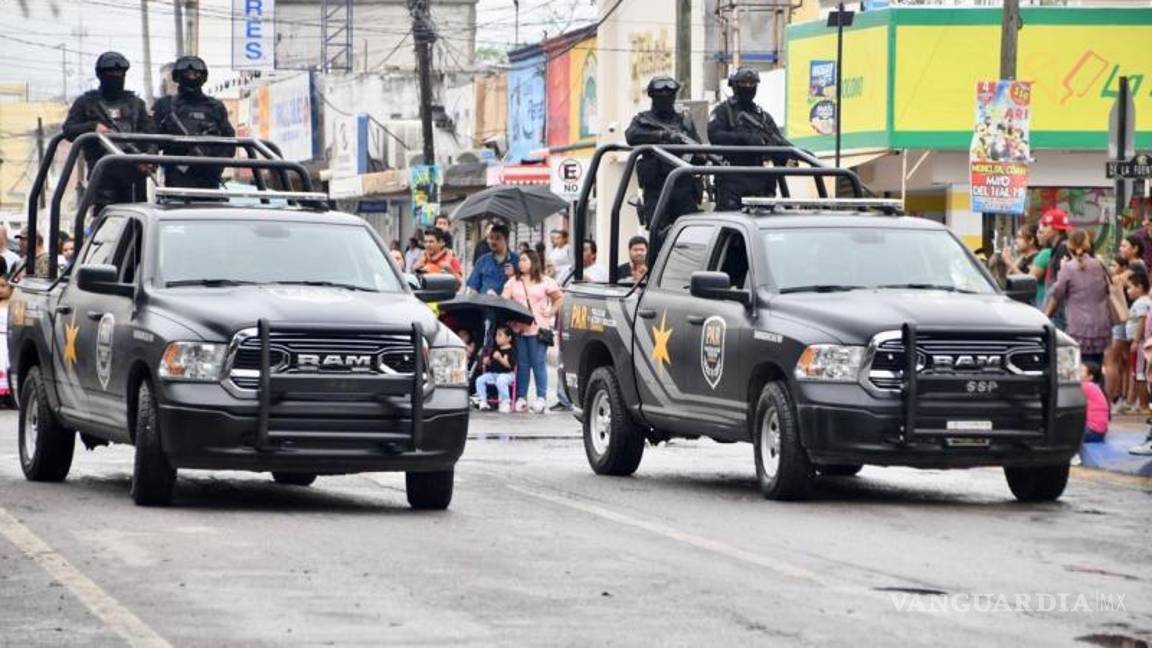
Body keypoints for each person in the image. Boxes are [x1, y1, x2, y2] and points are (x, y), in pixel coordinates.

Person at [62, 51, 155, 214]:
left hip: (133, 174)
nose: (115, 76)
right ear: (100, 74)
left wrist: (148, 157)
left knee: (136, 222)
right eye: (110, 73)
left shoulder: (135, 104)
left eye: (119, 73)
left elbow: (151, 135)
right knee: (106, 220)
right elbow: (69, 130)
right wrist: (93, 128)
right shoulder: (86, 102)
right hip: (102, 172)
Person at [624, 76, 704, 234]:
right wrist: (662, 135)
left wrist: (699, 155)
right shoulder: (643, 120)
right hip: (657, 185)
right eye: (661, 97)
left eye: (670, 96)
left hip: (683, 185)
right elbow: (631, 136)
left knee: (688, 232)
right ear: (653, 97)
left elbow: (698, 146)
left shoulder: (684, 122)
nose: (666, 100)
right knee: (658, 232)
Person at [708, 67, 793, 210]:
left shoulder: (762, 116)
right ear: (734, 86)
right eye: (743, 84)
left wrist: (789, 154)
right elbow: (715, 136)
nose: (748, 87)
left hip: (760, 179)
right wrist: (743, 138)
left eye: (751, 84)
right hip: (732, 177)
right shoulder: (723, 111)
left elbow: (777, 141)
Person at [152, 55, 236, 189]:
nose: (191, 77)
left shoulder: (215, 107)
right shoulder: (165, 105)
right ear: (177, 76)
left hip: (209, 177)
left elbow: (230, 143)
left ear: (203, 77)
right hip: (177, 178)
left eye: (196, 74)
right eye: (187, 73)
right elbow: (152, 142)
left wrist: (216, 164)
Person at [502, 250, 563, 414]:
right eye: (520, 261)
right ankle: (522, 397)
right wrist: (509, 316)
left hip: (539, 328)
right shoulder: (513, 282)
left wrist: (551, 311)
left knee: (538, 363)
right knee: (522, 364)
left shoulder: (545, 281)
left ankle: (541, 398)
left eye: (524, 260)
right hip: (519, 329)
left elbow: (559, 298)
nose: (520, 263)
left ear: (533, 262)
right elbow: (504, 300)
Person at [1044, 229, 1111, 364]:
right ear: (1088, 245)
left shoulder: (1068, 268)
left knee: (1079, 366)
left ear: (1069, 246)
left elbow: (1057, 293)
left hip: (1078, 327)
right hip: (1101, 326)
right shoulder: (1099, 264)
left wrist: (1046, 314)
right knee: (1097, 365)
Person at [1105, 235, 1146, 409]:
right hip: (1127, 316)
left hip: (1127, 316)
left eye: (1124, 245)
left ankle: (1121, 399)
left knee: (1116, 358)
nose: (1121, 249)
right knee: (1126, 361)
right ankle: (1127, 398)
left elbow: (1116, 281)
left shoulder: (1136, 265)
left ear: (1135, 248)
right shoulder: (1132, 266)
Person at [1119, 271, 1152, 415]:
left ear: (1140, 287)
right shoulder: (1143, 302)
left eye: (1130, 287)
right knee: (1137, 373)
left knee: (1140, 374)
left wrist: (1136, 340)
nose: (1128, 291)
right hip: (1139, 343)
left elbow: (1142, 321)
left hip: (1140, 344)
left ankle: (1144, 405)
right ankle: (1137, 403)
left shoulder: (1142, 303)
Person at [1035, 208, 1072, 328]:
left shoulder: (1063, 249)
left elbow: (1060, 286)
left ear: (1056, 229)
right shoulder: (1058, 248)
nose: (1041, 230)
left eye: (1046, 226)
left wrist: (1047, 313)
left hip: (1059, 314)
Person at [467, 222, 519, 297]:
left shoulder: (516, 260)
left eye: (497, 238)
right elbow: (473, 287)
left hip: (507, 306)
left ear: (506, 240)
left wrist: (512, 276)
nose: (493, 242)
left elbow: (523, 288)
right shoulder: (482, 261)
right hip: (484, 304)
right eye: (491, 238)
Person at [473, 325, 516, 413]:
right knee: (480, 380)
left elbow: (510, 366)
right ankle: (483, 401)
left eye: (500, 335)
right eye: (496, 335)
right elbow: (491, 364)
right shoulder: (495, 349)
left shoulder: (512, 350)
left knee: (501, 379)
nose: (497, 338)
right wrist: (487, 362)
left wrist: (500, 359)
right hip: (494, 374)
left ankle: (505, 401)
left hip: (508, 375)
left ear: (508, 338)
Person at [1081, 362, 1109, 444]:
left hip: (1091, 431)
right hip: (1098, 432)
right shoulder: (1095, 387)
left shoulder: (1086, 386)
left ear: (1090, 377)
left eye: (1081, 371)